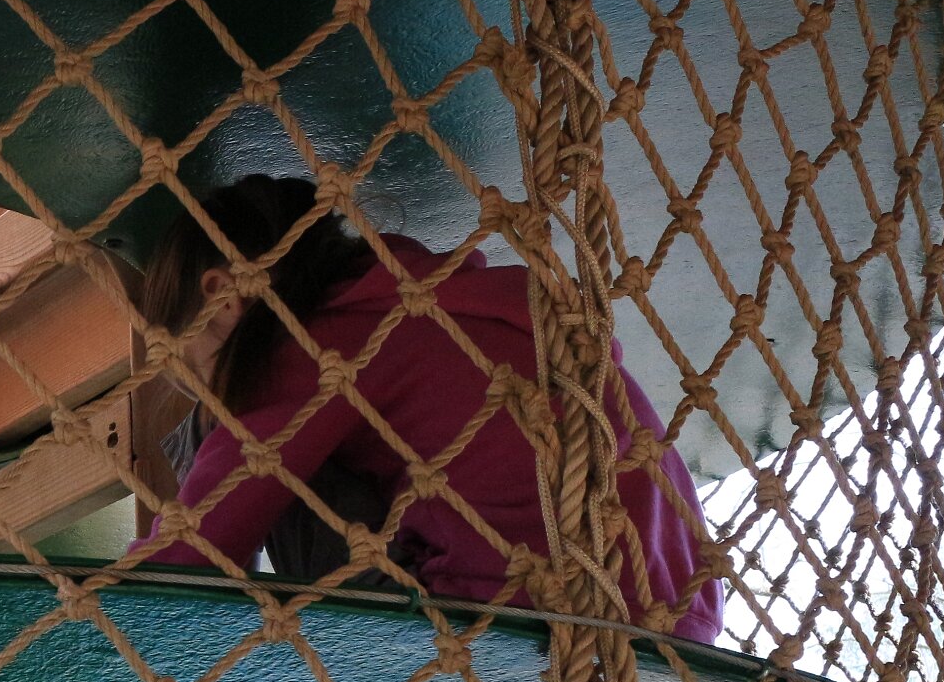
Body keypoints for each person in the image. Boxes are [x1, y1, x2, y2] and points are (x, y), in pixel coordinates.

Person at [135, 175, 723, 642]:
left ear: (223, 297)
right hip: (680, 614)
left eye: (194, 370)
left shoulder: (314, 349)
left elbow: (193, 551)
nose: (209, 389)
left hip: (515, 611)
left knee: (224, 437)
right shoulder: (427, 298)